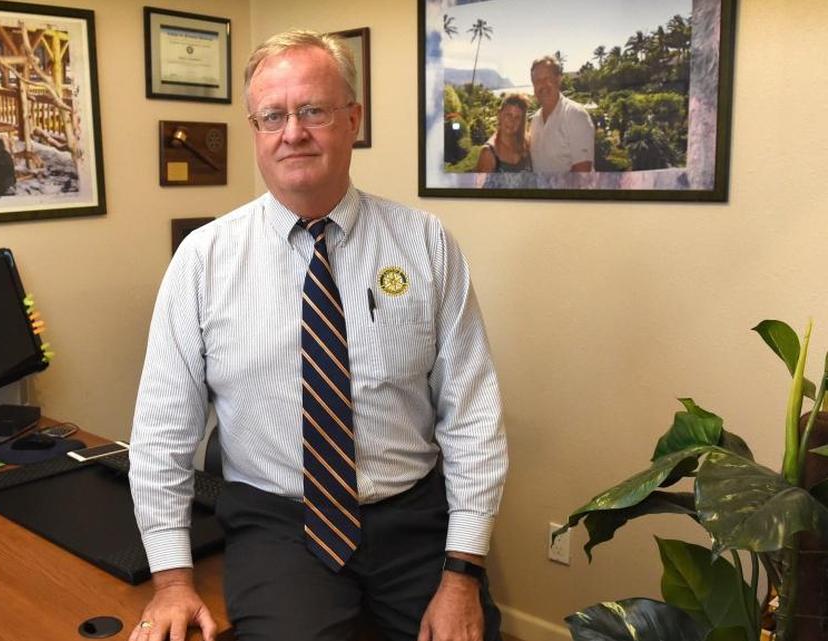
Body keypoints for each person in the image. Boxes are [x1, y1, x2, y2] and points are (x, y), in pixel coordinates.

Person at [129, 29, 507, 641]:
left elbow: (472, 417)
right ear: (255, 130)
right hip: (278, 526)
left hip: (413, 520)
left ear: (352, 119)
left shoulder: (427, 245)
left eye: (313, 111)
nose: (293, 133)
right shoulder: (203, 260)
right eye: (273, 116)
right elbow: (161, 432)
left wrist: (462, 574)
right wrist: (172, 580)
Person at [527, 55, 594, 173]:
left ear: (558, 79)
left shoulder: (575, 115)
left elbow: (582, 171)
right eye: (538, 81)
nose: (543, 85)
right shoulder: (535, 120)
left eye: (547, 78)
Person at [475, 93, 532, 173]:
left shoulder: (526, 143)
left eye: (517, 117)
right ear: (499, 115)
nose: (512, 121)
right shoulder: (488, 153)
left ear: (521, 121)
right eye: (508, 115)